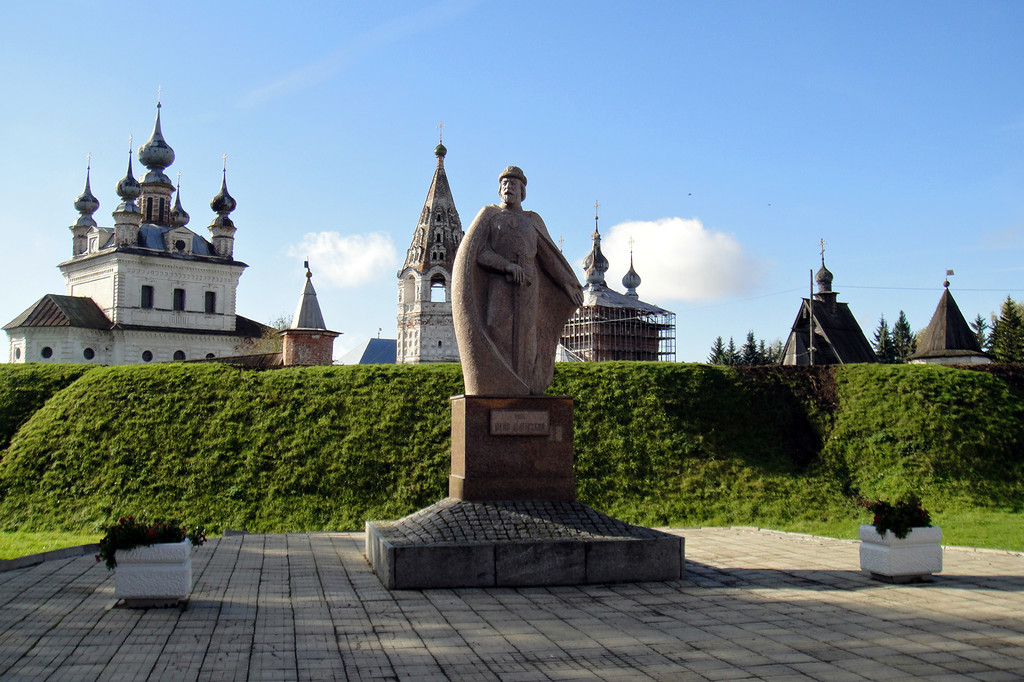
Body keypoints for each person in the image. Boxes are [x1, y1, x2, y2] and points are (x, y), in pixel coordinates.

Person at [452, 166, 584, 395]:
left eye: (513, 185)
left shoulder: (532, 220)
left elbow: (549, 256)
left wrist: (567, 284)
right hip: (500, 283)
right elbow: (478, 252)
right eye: (504, 184)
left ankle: (526, 387)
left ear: (522, 191)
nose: (507, 188)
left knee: (527, 335)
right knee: (496, 327)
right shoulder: (490, 216)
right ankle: (500, 385)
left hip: (528, 285)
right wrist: (506, 265)